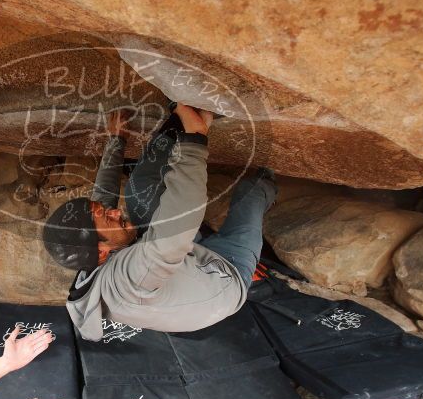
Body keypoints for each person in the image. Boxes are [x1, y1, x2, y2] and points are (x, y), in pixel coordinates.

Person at [42, 103, 277, 341]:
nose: (114, 213)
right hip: (227, 276)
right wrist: (195, 140)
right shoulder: (129, 280)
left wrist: (116, 139)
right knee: (252, 191)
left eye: (105, 212)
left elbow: (103, 198)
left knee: (139, 193)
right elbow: (181, 221)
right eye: (107, 218)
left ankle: (178, 119)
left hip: (180, 264)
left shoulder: (90, 253)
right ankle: (267, 176)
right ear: (102, 253)